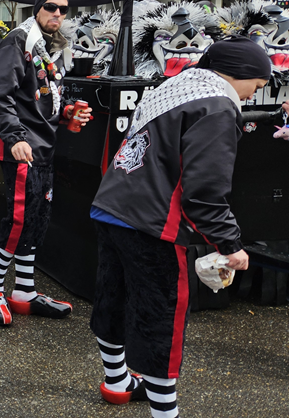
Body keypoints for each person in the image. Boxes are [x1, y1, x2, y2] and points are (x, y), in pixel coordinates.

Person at [88, 37, 273, 418]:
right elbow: (204, 191)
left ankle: (116, 382)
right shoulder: (217, 105)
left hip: (112, 205)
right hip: (154, 221)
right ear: (238, 73)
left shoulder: (176, 87)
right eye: (256, 84)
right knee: (161, 320)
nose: (254, 94)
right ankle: (165, 413)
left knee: (112, 298)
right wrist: (229, 243)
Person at [0, 0, 92, 326]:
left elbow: (42, 97)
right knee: (19, 219)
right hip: (22, 148)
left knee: (37, 218)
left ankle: (24, 291)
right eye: (51, 7)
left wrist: (67, 113)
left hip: (42, 146)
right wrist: (15, 137)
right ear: (38, 8)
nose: (58, 14)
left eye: (63, 10)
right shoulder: (19, 41)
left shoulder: (49, 46)